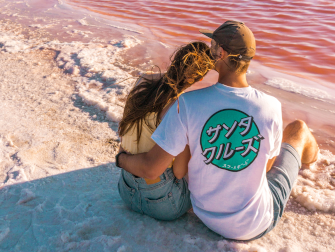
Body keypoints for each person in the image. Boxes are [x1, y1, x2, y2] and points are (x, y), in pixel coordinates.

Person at [117, 21, 318, 241]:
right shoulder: (270, 107)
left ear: (219, 53)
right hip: (253, 225)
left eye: (213, 45)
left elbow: (162, 167)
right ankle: (311, 155)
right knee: (298, 129)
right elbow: (266, 167)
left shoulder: (188, 103)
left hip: (206, 216)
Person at [116, 41, 214, 221]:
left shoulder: (143, 80)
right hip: (164, 204)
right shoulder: (178, 107)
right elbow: (178, 172)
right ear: (200, 78)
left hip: (126, 190)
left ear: (175, 60)